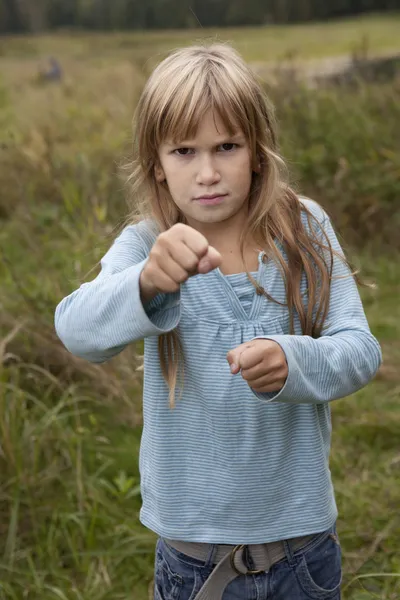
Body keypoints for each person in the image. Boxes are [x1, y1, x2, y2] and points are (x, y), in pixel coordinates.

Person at [54, 43, 382, 600]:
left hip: (302, 551)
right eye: (184, 151)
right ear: (156, 161)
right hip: (191, 561)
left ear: (257, 151)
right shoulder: (145, 245)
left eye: (226, 146)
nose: (207, 173)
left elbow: (360, 350)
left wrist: (294, 361)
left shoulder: (303, 228)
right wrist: (148, 281)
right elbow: (76, 331)